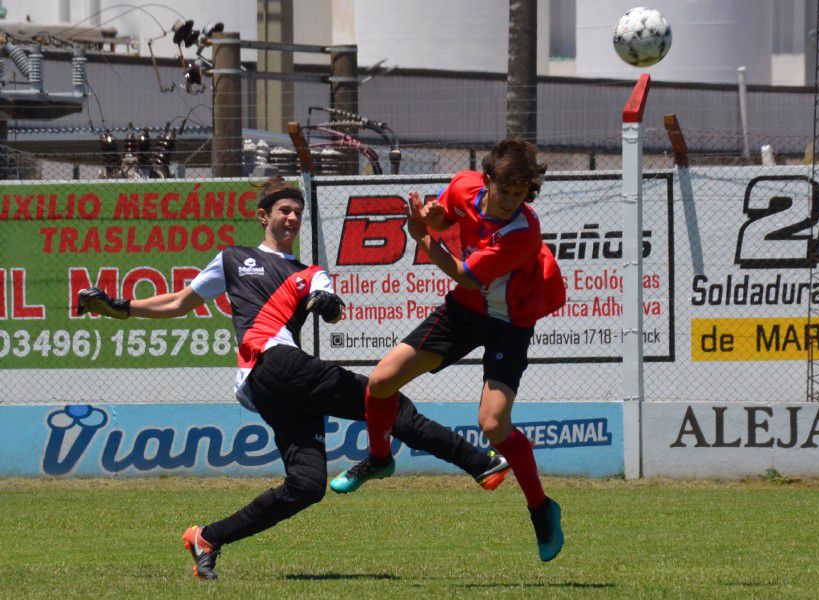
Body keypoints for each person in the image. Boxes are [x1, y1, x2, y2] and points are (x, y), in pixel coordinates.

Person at [76, 176, 511, 580]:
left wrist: (327, 303)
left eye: (297, 213)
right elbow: (179, 303)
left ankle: (208, 538)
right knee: (387, 401)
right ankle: (478, 462)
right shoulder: (233, 259)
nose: (292, 218)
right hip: (269, 367)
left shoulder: (308, 271)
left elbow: (333, 305)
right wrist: (120, 307)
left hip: (281, 383)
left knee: (307, 485)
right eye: (284, 210)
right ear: (263, 216)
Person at [332, 139, 567, 562]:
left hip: (508, 324)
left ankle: (541, 509)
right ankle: (380, 458)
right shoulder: (463, 185)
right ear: (488, 179)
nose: (512, 200)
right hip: (462, 314)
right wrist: (432, 218)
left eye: (521, 193)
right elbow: (444, 215)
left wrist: (422, 238)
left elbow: (463, 274)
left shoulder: (522, 233)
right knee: (382, 380)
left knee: (494, 424)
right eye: (506, 190)